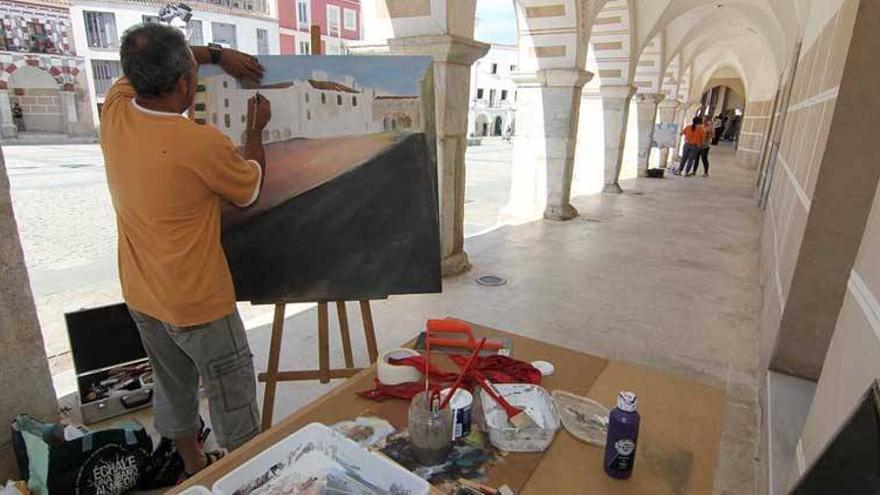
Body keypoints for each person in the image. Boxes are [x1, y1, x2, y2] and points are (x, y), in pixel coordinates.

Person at [101, 23, 271, 479]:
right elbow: (250, 186)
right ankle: (245, 477)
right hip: (199, 304)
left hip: (143, 294)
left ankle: (193, 465)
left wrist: (215, 55)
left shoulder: (114, 110)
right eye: (194, 72)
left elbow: (148, 59)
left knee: (173, 386)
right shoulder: (199, 142)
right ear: (183, 84)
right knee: (232, 397)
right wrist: (256, 130)